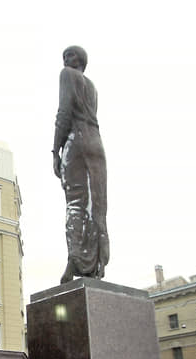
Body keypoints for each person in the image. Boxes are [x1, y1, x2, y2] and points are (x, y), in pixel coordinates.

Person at [52, 45, 109, 283]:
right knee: (96, 204)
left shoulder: (67, 75)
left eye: (71, 56)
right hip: (96, 142)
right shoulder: (92, 87)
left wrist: (56, 150)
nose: (66, 60)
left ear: (81, 61)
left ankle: (75, 259)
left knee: (76, 202)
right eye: (64, 56)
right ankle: (96, 263)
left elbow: (64, 113)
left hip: (77, 141)